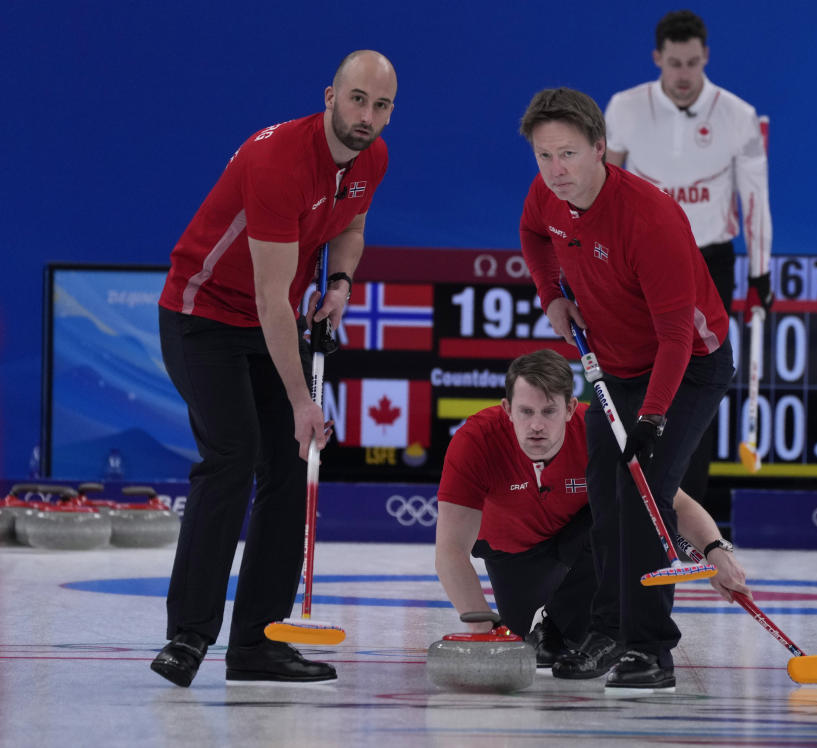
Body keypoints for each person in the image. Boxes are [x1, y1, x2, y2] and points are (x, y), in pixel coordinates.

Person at [151, 50, 397, 687]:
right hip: (202, 316)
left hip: (270, 323)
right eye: (357, 100)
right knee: (233, 454)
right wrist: (301, 401)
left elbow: (352, 225)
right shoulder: (278, 161)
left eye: (381, 106)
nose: (366, 116)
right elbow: (268, 296)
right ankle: (188, 636)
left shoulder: (372, 159)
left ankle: (258, 644)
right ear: (329, 96)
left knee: (292, 462)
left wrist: (340, 284)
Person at [518, 87, 735, 690]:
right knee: (606, 501)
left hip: (688, 365)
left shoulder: (650, 217)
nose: (556, 171)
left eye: (567, 154)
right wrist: (552, 296)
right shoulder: (548, 195)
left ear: (600, 149)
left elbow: (675, 337)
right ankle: (605, 629)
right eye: (543, 156)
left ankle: (650, 650)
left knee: (643, 498)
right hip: (614, 364)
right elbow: (533, 235)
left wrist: (654, 420)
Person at [435, 349, 750, 670]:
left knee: (622, 513)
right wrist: (483, 628)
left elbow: (670, 501)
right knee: (511, 636)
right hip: (510, 555)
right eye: (526, 411)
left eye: (548, 411)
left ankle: (558, 626)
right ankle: (545, 625)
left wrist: (716, 549)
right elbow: (450, 550)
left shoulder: (597, 431)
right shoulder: (475, 441)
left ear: (571, 408)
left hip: (579, 547)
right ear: (507, 409)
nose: (536, 425)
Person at [605, 9, 773, 503]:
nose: (683, 76)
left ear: (706, 58)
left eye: (692, 63)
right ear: (658, 58)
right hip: (641, 261)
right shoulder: (625, 108)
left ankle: (686, 519)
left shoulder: (738, 116)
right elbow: (605, 188)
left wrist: (761, 277)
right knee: (635, 374)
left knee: (697, 385)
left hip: (707, 262)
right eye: (674, 63)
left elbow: (756, 201)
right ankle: (623, 502)